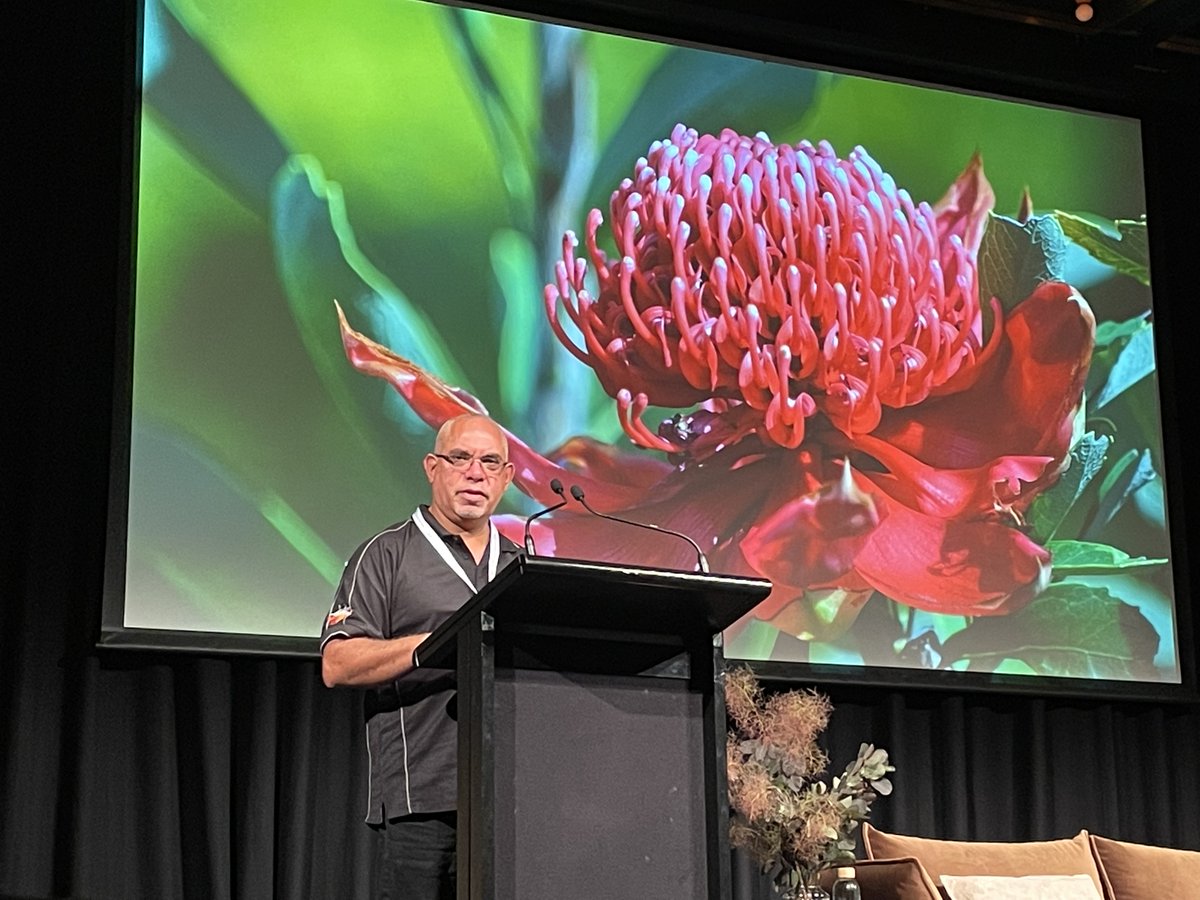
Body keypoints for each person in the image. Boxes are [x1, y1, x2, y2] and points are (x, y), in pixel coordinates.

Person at [321, 413, 520, 900]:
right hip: (422, 798)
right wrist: (436, 642)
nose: (476, 473)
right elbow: (337, 664)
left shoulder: (521, 564)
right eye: (461, 458)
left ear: (507, 477)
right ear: (432, 467)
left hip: (513, 796)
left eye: (490, 461)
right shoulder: (386, 554)